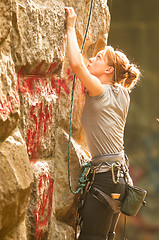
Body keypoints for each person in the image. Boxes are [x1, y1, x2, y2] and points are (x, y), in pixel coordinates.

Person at [65, 7, 141, 240]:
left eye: (98, 57)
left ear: (108, 70)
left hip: (107, 179)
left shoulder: (100, 91)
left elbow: (77, 65)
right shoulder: (122, 94)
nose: (92, 58)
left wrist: (70, 26)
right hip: (118, 180)